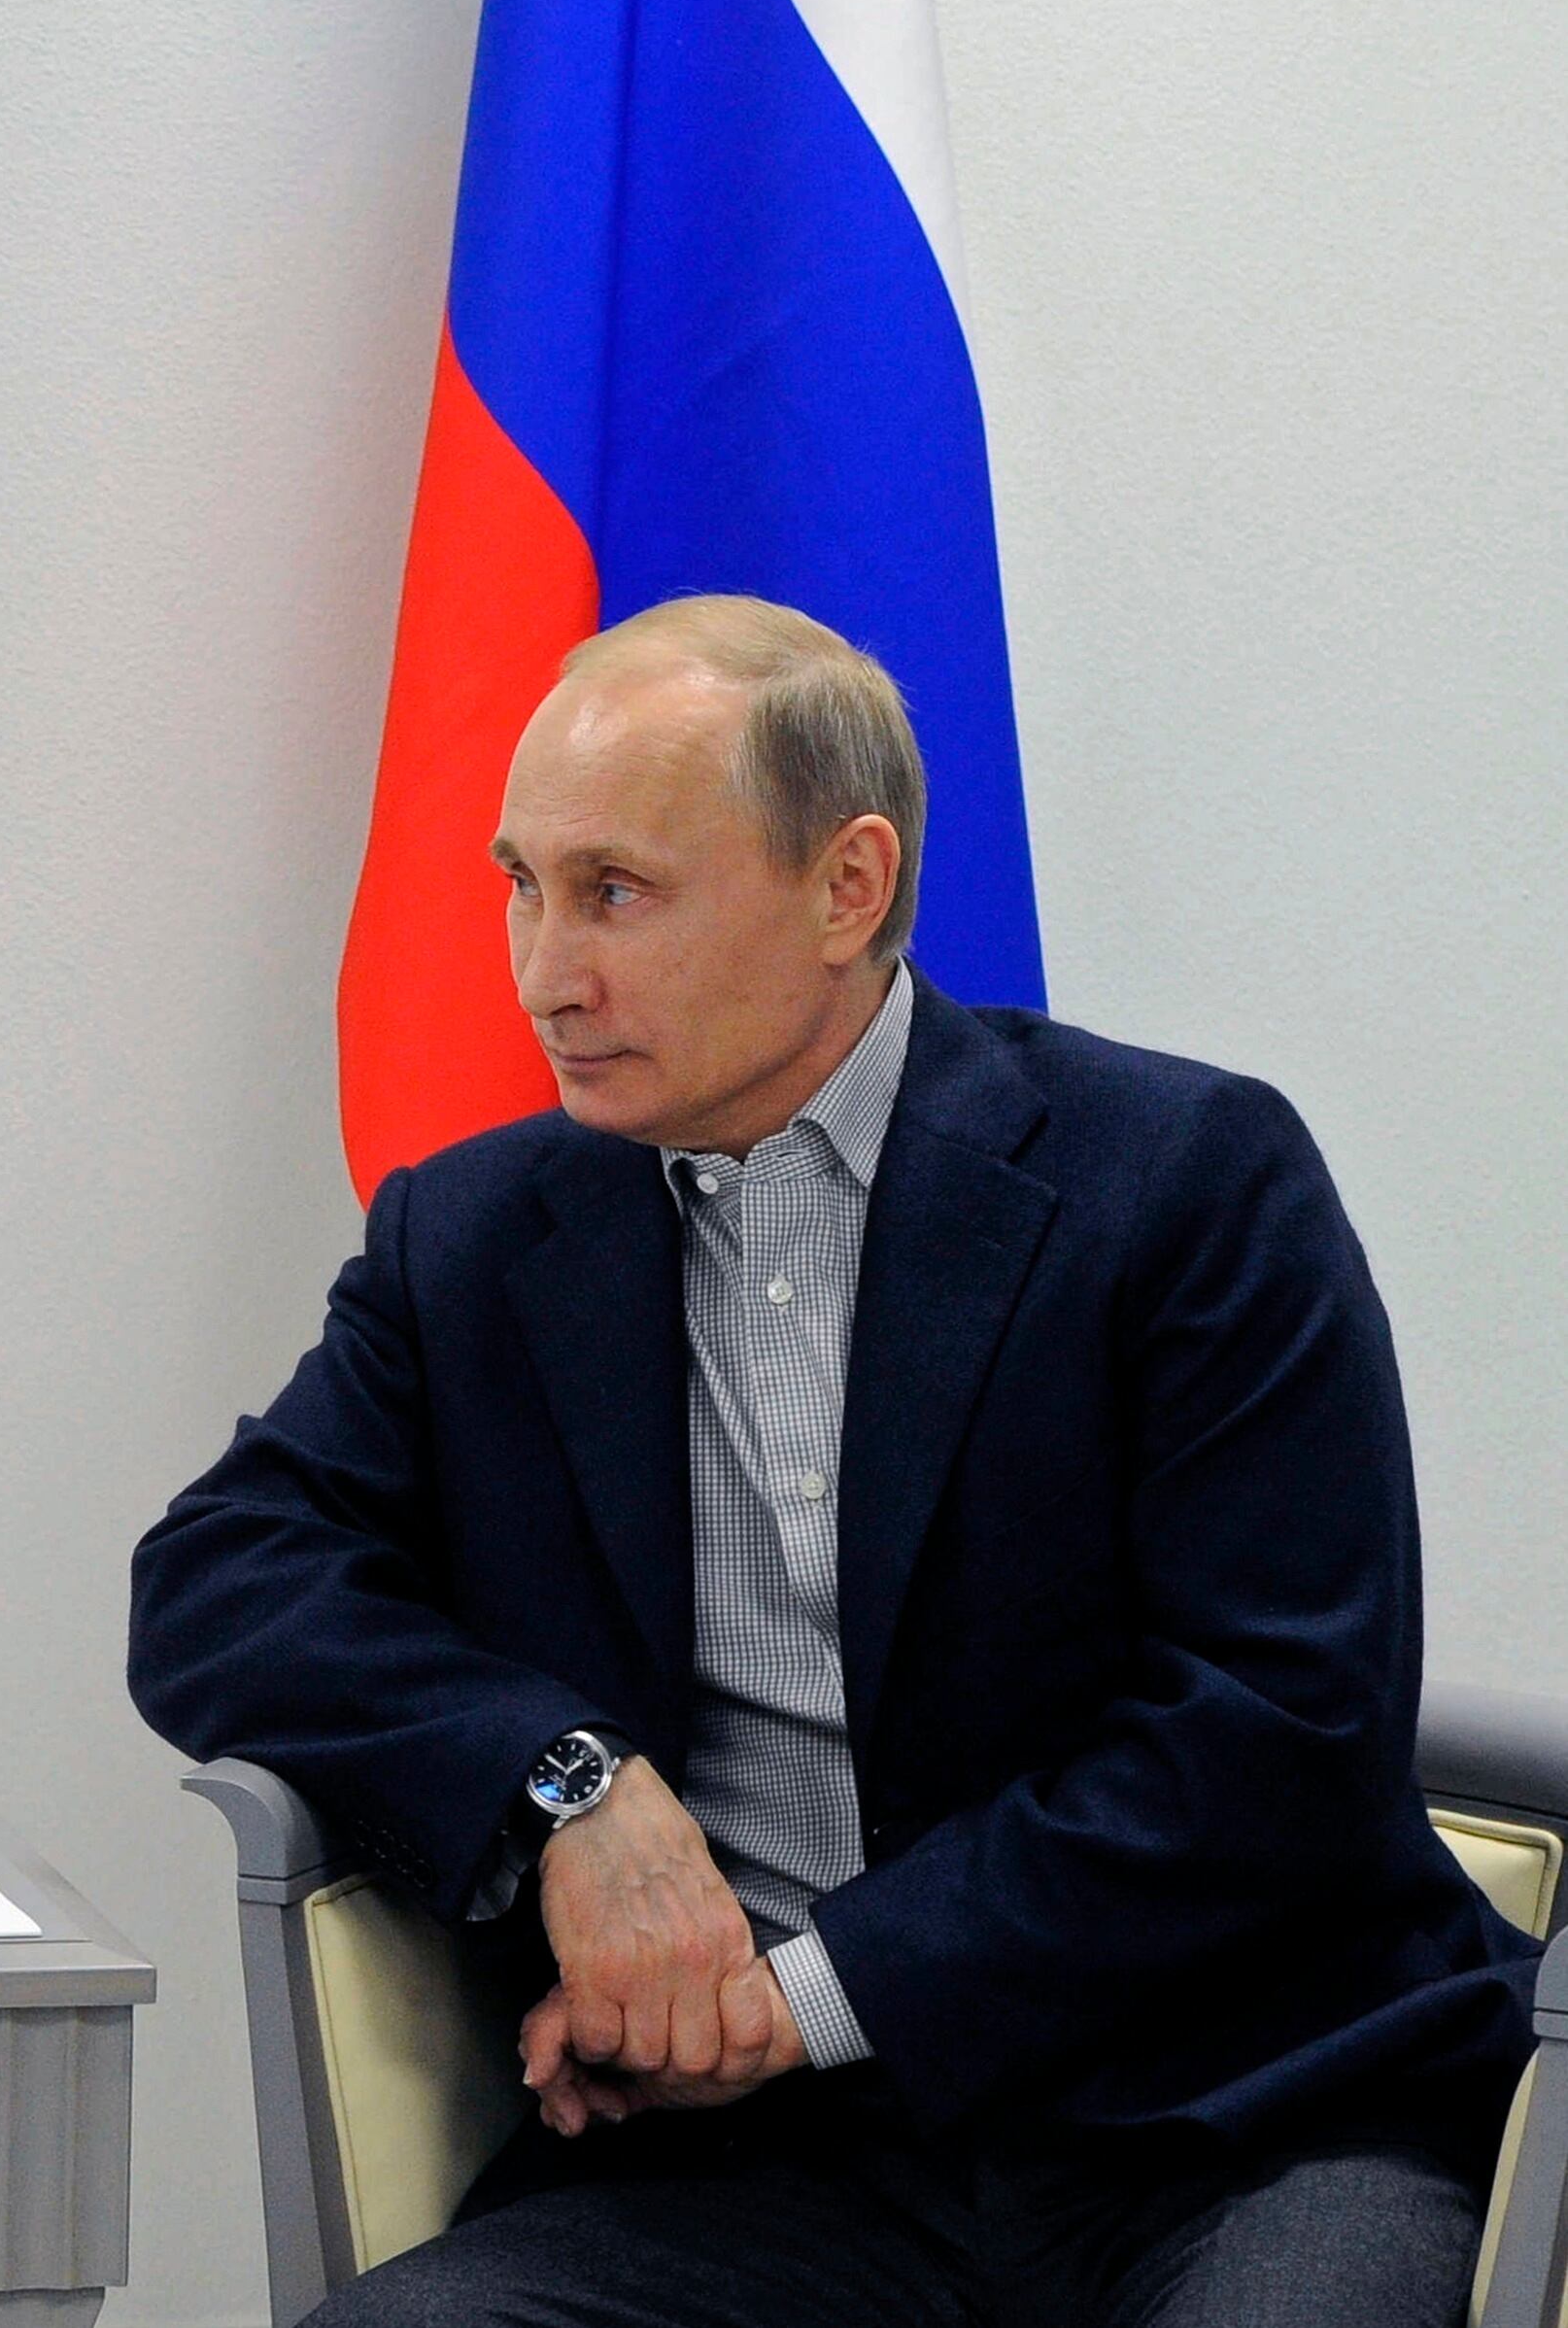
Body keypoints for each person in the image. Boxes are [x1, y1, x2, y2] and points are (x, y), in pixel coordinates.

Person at [131, 595, 1535, 2324]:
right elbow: (219, 1581)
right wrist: (571, 1789)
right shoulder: (479, 1239)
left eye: (615, 892)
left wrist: (796, 2000)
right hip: (767, 2178)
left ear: (846, 888)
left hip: (1243, 2118)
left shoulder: (1185, 1183)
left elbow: (1277, 1733)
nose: (545, 972)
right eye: (522, 886)